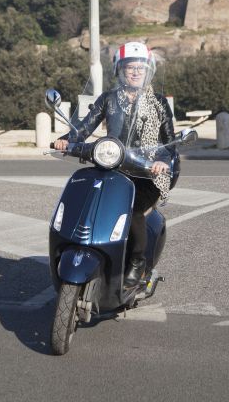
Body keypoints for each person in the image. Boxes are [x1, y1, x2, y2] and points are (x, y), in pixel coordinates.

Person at [53, 41, 176, 288]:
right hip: (112, 165)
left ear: (148, 71)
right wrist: (67, 140)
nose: (135, 72)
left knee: (134, 210)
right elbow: (85, 127)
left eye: (140, 68)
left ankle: (137, 262)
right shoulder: (108, 99)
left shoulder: (159, 103)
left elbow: (169, 141)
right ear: (120, 71)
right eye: (130, 67)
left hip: (146, 171)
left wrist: (162, 159)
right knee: (88, 199)